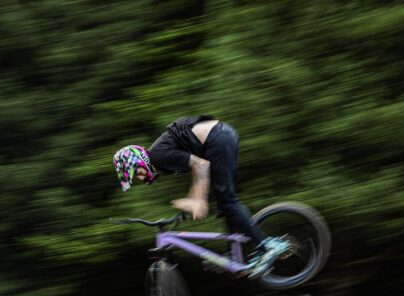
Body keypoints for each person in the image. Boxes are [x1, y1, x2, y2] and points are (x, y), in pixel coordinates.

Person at [113, 116, 290, 276]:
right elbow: (197, 167)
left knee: (227, 200)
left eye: (136, 173)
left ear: (137, 162)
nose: (140, 177)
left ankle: (267, 245)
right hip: (219, 138)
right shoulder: (161, 159)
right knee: (224, 201)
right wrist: (194, 198)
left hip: (218, 138)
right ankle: (236, 255)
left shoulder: (159, 157)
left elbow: (201, 165)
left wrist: (197, 199)